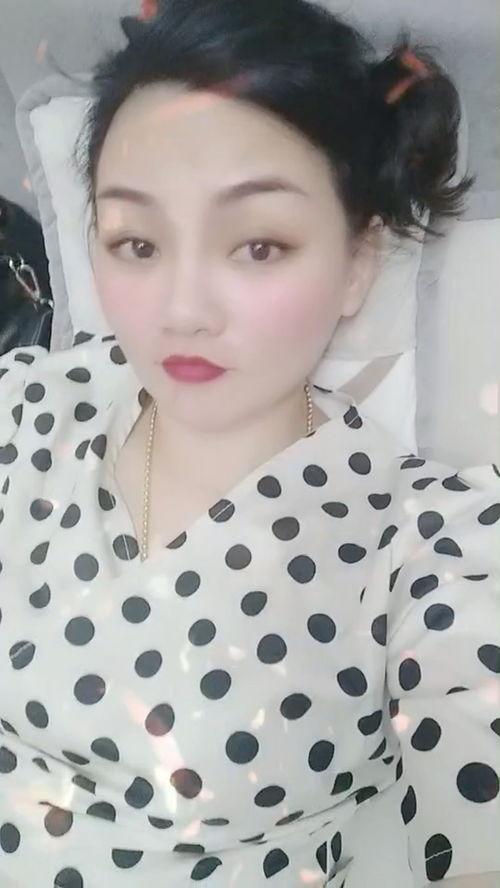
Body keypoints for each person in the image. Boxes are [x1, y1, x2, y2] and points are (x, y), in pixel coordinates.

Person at [0, 1, 499, 885]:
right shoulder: (28, 409)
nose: (183, 310)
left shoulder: (428, 544)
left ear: (358, 262)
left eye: (259, 246)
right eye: (136, 242)